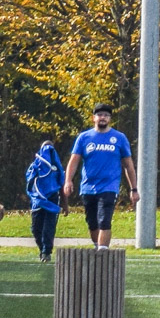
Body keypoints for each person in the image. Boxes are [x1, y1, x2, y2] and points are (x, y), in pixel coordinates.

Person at [63, 103, 137, 248]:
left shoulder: (119, 138)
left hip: (109, 186)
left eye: (106, 115)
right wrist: (68, 181)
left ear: (110, 119)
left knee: (104, 220)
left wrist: (133, 189)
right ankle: (98, 246)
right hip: (88, 187)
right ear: (94, 118)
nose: (103, 118)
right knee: (92, 223)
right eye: (100, 115)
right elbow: (74, 161)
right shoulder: (84, 138)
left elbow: (128, 165)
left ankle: (103, 251)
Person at [24, 140, 64, 262]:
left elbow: (62, 184)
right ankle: (42, 249)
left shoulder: (57, 168)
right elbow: (30, 182)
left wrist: (65, 205)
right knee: (36, 228)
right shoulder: (36, 165)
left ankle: (47, 252)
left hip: (52, 199)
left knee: (49, 227)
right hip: (38, 200)